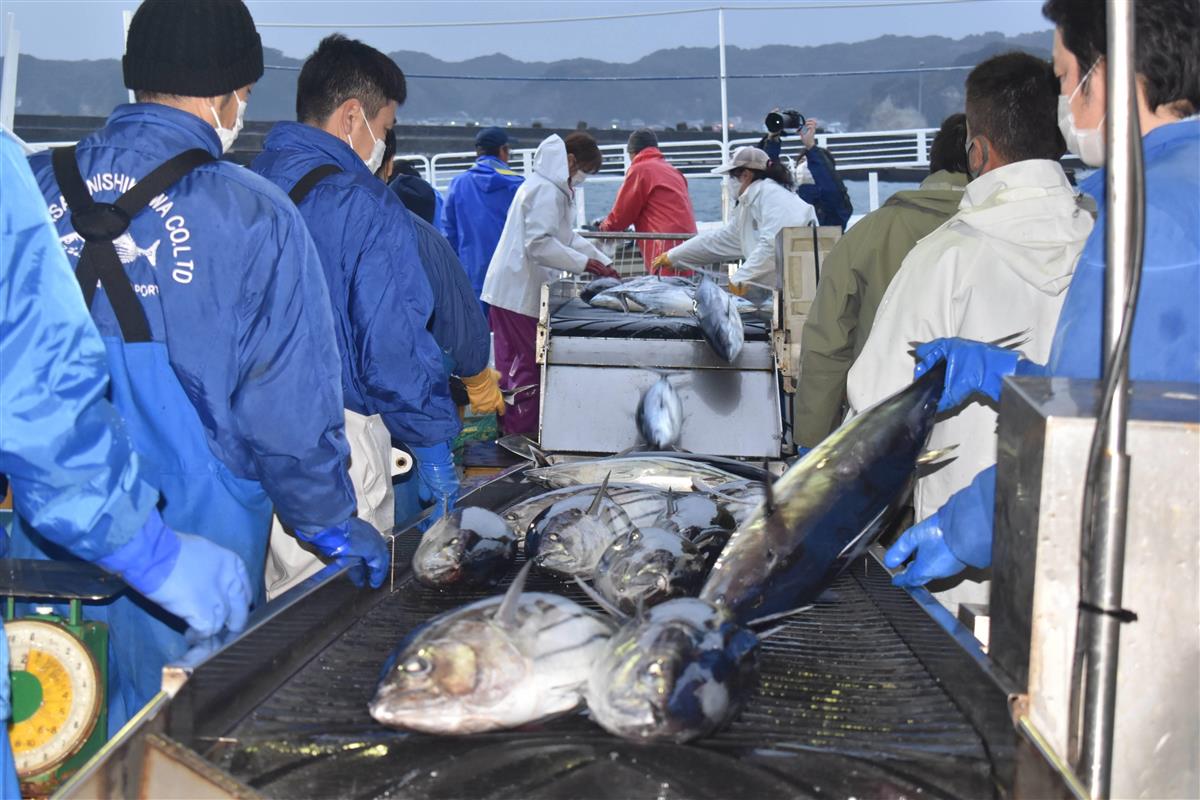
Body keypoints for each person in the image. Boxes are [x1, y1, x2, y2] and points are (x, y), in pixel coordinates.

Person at [15, 0, 386, 732]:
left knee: (45, 739)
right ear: (230, 94)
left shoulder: (25, 189)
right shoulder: (258, 215)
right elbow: (288, 418)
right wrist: (332, 524)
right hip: (193, 562)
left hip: (38, 557)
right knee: (172, 753)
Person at [884, 0, 1200, 588]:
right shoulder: (1175, 183)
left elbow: (1094, 436)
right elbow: (1151, 389)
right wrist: (1003, 371)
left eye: (1062, 79)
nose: (1064, 105)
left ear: (1102, 72)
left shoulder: (1149, 213)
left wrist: (966, 524)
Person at [0, 132, 253, 790]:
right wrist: (145, 549)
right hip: (154, 492)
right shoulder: (256, 208)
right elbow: (35, 394)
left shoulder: (36, 172)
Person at [251, 35, 462, 593]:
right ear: (352, 118)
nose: (384, 142)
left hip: (248, 443)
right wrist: (432, 442)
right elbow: (391, 346)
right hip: (335, 448)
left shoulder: (246, 184)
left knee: (274, 614)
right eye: (385, 128)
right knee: (334, 617)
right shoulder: (365, 203)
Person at [793, 114, 970, 449]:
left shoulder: (871, 231)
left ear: (933, 163)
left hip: (884, 431)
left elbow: (828, 344)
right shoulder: (1021, 229)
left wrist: (812, 440)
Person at [482, 132, 619, 436]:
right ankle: (519, 439)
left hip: (515, 291)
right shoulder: (546, 190)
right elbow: (540, 244)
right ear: (571, 161)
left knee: (516, 367)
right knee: (525, 369)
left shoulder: (549, 187)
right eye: (585, 170)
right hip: (518, 294)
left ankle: (514, 432)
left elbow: (567, 238)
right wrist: (587, 264)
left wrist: (600, 261)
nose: (583, 178)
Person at [652, 145, 816, 291]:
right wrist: (674, 256)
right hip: (788, 289)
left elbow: (774, 244)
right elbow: (722, 239)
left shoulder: (772, 196)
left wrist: (741, 278)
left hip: (803, 289)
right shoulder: (750, 203)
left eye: (731, 176)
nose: (729, 182)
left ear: (746, 175)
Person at [440, 126, 525, 312]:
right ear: (503, 151)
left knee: (479, 334)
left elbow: (449, 234)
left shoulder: (458, 183)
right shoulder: (518, 184)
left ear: (478, 152)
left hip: (472, 274)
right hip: (511, 277)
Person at [597, 128, 697, 274]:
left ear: (632, 153)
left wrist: (603, 228)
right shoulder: (673, 171)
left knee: (665, 293)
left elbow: (621, 216)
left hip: (664, 251)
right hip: (688, 246)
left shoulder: (640, 170)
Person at [760, 117, 854, 230]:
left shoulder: (838, 202)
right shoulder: (790, 194)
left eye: (811, 163)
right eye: (802, 161)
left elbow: (830, 187)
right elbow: (769, 173)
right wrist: (772, 138)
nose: (806, 166)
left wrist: (811, 146)